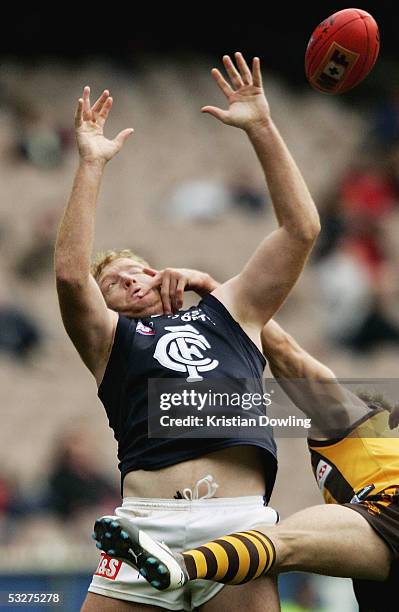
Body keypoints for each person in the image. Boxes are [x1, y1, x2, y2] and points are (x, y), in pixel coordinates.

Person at [55, 51, 320, 611]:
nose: (132, 279)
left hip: (236, 524)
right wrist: (92, 163)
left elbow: (300, 229)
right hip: (143, 528)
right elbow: (69, 274)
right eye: (116, 283)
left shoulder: (228, 311)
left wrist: (262, 126)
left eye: (139, 269)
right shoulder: (111, 344)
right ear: (107, 309)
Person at [114, 316, 399, 611]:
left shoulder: (367, 427)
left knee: (283, 543)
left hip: (387, 522)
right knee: (282, 544)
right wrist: (229, 306)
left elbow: (292, 359)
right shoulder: (356, 443)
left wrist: (226, 304)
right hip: (384, 536)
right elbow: (291, 360)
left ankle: (184, 564)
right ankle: (181, 564)